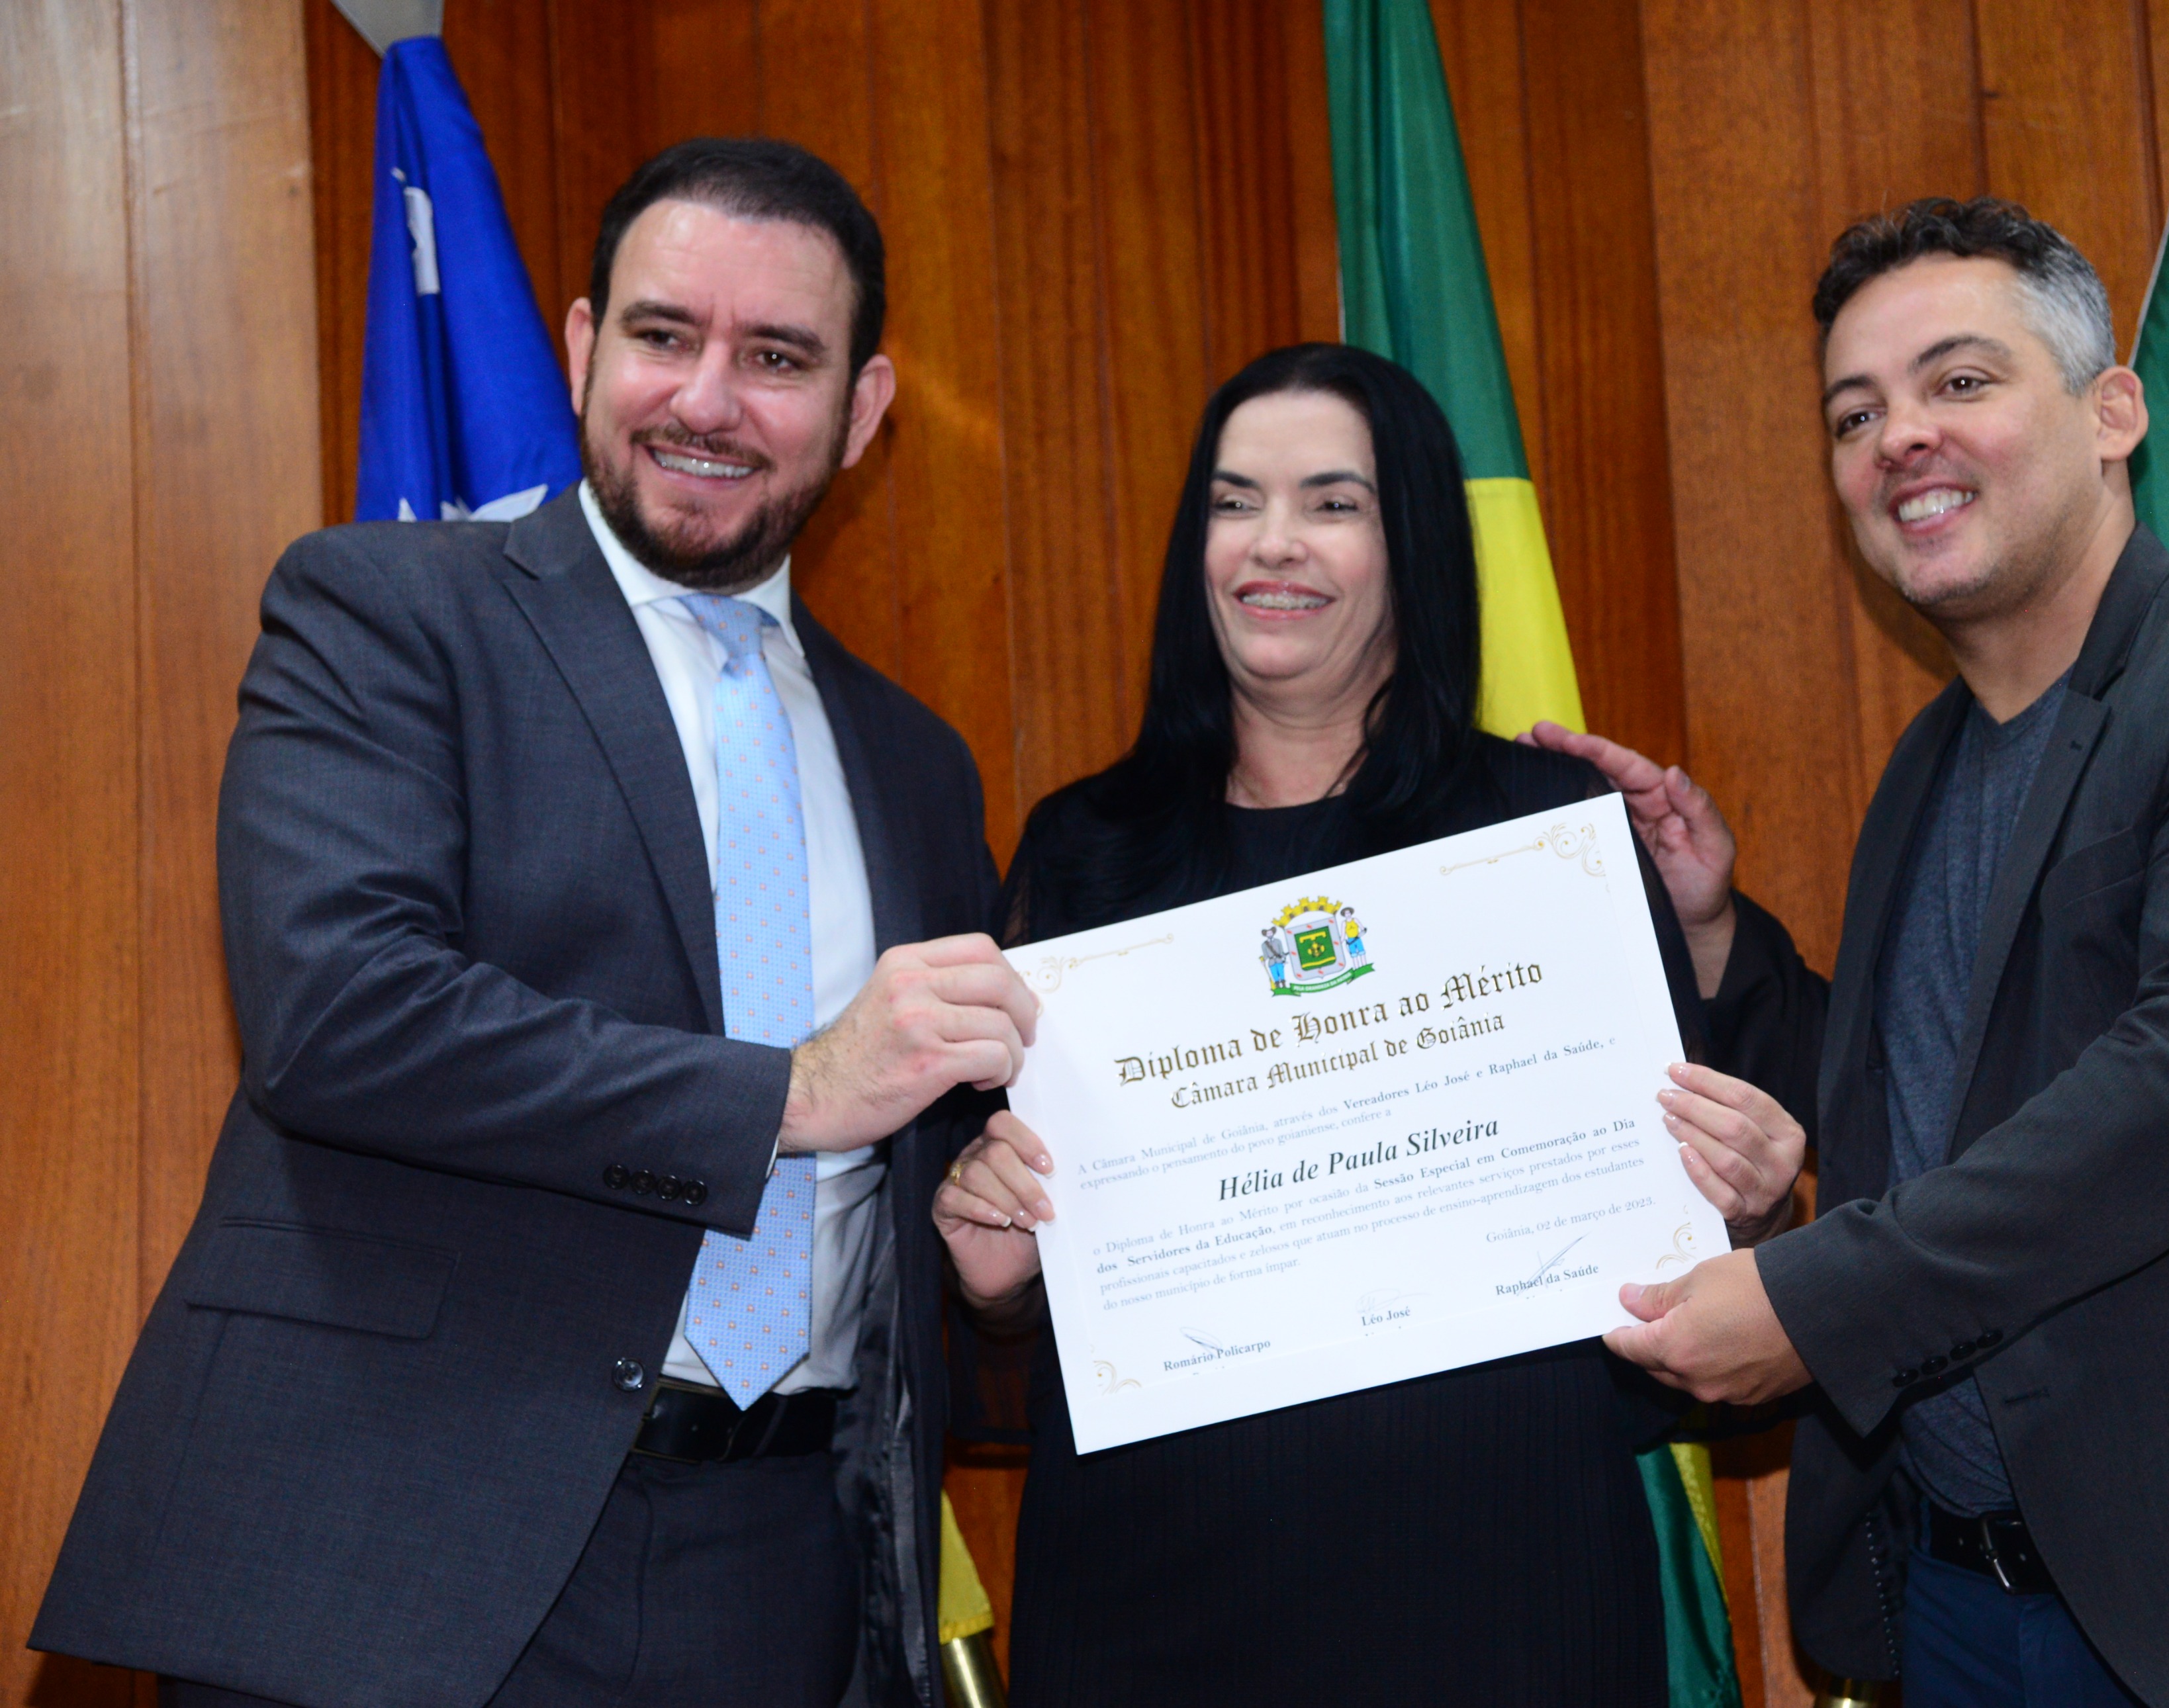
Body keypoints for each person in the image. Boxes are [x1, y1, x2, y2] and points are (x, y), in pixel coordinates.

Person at [33, 138, 1036, 1708]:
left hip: (781, 1575)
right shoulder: (383, 612)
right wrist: (791, 1093)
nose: (706, 399)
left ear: (863, 408)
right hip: (398, 1547)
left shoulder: (919, 764)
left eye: (777, 358)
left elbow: (930, 1184)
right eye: (662, 334)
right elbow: (339, 1016)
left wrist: (985, 1278)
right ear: (580, 348)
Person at [1532, 198, 2169, 1707]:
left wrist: (1817, 1304)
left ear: (2111, 413)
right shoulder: (1927, 764)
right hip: (1962, 1600)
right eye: (1855, 414)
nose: (1900, 438)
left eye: (1959, 381)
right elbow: (1939, 1109)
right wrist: (1715, 933)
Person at [934, 343, 1806, 1706]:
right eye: (1233, 501)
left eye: (1332, 502)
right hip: (1152, 1606)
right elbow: (1023, 1281)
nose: (1271, 542)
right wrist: (997, 1272)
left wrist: (1733, 1210)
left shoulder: (1544, 835)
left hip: (1508, 1595)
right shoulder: (1083, 855)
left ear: (1415, 548)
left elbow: (1684, 1266)